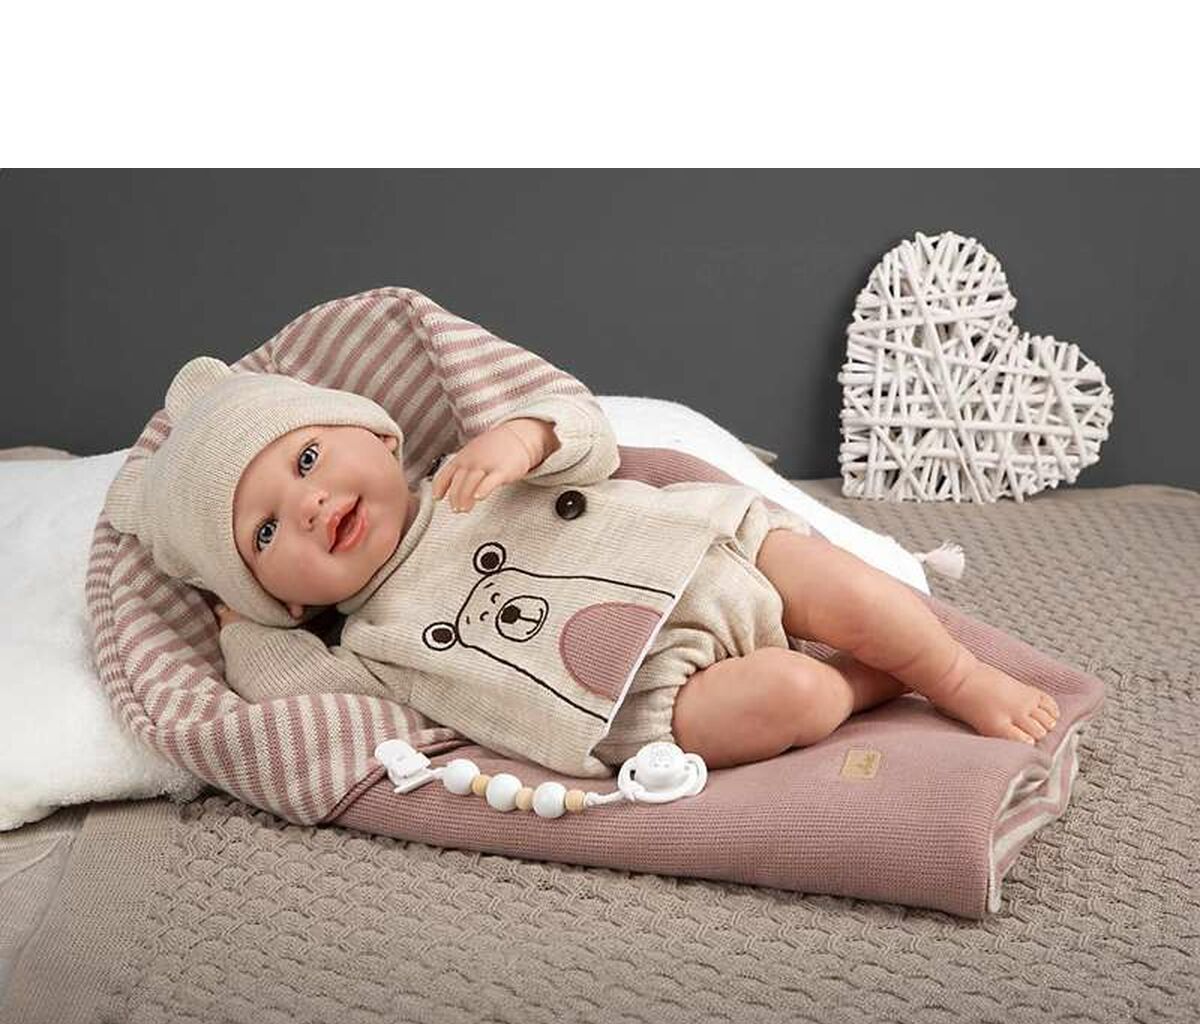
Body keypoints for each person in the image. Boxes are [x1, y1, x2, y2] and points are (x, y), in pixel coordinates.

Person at [104, 356, 1058, 778]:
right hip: (643, 703)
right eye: (265, 533)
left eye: (308, 458)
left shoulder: (472, 473)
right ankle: (855, 685)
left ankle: (954, 674)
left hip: (705, 559)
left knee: (839, 583)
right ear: (276, 597)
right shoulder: (369, 645)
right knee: (794, 697)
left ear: (376, 434)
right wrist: (238, 628)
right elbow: (290, 693)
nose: (309, 504)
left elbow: (589, 435)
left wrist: (524, 437)